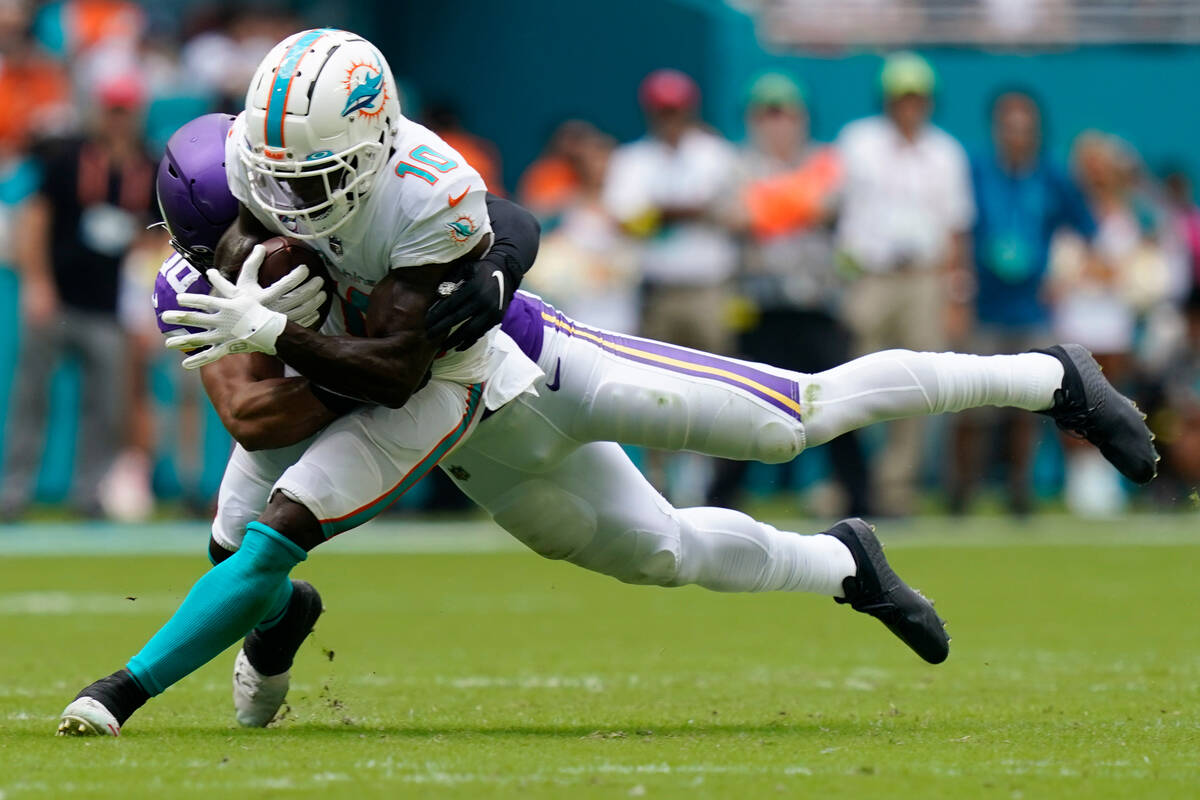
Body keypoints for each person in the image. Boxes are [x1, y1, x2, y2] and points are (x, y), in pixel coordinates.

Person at [57, 31, 1157, 738]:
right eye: (254, 198)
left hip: (536, 369)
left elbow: (430, 321)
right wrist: (277, 326)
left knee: (795, 422)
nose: (272, 219)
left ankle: (1041, 374)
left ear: (365, 153)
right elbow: (269, 410)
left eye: (296, 189)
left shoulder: (421, 186)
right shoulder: (220, 248)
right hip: (455, 432)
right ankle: (844, 563)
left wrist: (351, 315)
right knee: (661, 551)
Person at [706, 72, 870, 516]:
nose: (777, 124)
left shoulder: (824, 160)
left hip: (816, 302)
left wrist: (767, 205)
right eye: (767, 114)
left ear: (800, 118)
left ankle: (860, 495)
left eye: (785, 114)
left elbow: (826, 206)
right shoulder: (736, 164)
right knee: (742, 406)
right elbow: (736, 217)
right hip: (760, 304)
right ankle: (721, 499)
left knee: (840, 405)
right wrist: (794, 202)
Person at [1, 75, 156, 519]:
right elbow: (36, 219)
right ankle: (13, 492)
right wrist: (38, 283)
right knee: (31, 398)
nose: (118, 119)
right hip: (59, 299)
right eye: (112, 109)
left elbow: (153, 241)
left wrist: (142, 306)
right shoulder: (69, 157)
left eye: (125, 110)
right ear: (99, 110)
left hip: (109, 307)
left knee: (105, 407)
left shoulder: (148, 165)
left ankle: (90, 493)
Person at [835, 52, 975, 516]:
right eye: (901, 96)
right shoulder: (857, 142)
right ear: (887, 100)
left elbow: (956, 229)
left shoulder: (946, 152)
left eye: (916, 97)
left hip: (923, 279)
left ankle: (895, 488)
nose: (909, 105)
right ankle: (855, 484)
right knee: (850, 385)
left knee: (918, 389)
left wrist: (955, 293)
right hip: (869, 277)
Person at [949, 90, 1096, 516]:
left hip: (1032, 307)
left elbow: (1085, 229)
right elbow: (955, 226)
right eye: (1009, 127)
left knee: (1028, 407)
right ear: (996, 129)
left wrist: (1064, 276)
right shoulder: (976, 169)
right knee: (968, 404)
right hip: (983, 304)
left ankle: (1019, 492)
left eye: (1024, 127)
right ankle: (962, 492)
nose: (1017, 135)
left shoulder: (1052, 174)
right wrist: (957, 288)